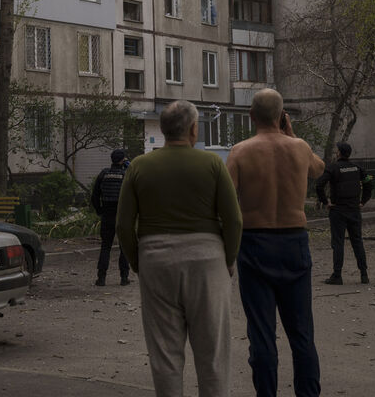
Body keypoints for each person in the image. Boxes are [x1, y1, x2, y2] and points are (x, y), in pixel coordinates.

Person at [116, 101, 242, 397]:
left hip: (156, 259)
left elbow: (123, 225)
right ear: (194, 129)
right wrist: (229, 258)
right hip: (207, 260)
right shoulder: (212, 164)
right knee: (212, 353)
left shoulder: (139, 166)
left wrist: (137, 262)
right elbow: (234, 220)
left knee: (165, 354)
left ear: (163, 130)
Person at [226, 88, 327, 397]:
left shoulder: (240, 152)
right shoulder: (300, 148)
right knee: (302, 334)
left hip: (255, 243)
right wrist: (291, 135)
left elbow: (226, 203)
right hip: (294, 241)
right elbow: (318, 169)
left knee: (261, 334)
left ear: (251, 116)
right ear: (283, 116)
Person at [315, 141, 373, 285]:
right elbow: (369, 182)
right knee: (357, 241)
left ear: (339, 153)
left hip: (338, 211)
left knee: (338, 243)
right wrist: (363, 201)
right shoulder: (358, 168)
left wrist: (325, 202)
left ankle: (337, 276)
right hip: (354, 211)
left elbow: (319, 185)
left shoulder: (333, 168)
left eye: (337, 150)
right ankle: (364, 275)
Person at [91, 148, 130, 286]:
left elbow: (95, 196)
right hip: (123, 214)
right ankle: (124, 278)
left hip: (107, 213)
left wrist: (100, 210)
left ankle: (101, 278)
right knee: (124, 247)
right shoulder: (126, 175)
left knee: (105, 246)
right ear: (123, 160)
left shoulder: (104, 173)